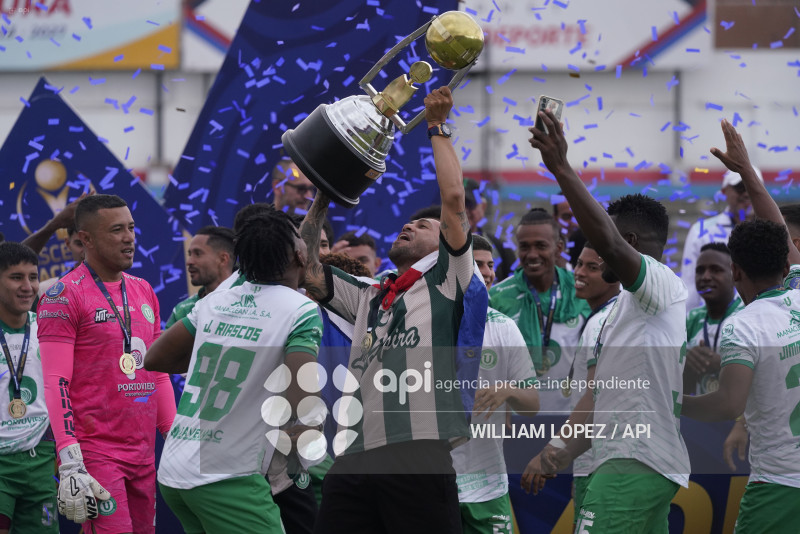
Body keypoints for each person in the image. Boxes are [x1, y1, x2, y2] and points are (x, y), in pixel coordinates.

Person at [299, 86, 487, 533]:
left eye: (423, 226)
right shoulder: (371, 292)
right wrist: (325, 192)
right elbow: (308, 268)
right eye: (409, 221)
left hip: (417, 451)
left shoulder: (451, 277)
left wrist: (437, 127)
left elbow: (454, 201)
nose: (409, 224)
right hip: (354, 454)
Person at [525, 108, 690, 532]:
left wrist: (561, 167)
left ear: (628, 242)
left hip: (634, 460)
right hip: (626, 461)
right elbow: (597, 400)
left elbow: (611, 245)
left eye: (602, 244)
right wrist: (555, 454)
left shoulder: (662, 285)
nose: (596, 253)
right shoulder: (620, 311)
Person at [144, 205, 322, 534]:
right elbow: (302, 399)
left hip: (175, 470)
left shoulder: (215, 300)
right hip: (227, 476)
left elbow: (155, 358)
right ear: (299, 254)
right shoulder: (300, 308)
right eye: (300, 237)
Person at [682, 118, 800, 532]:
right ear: (785, 265)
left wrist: (672, 402)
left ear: (735, 271)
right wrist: (748, 170)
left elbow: (728, 404)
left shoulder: (742, 325)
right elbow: (779, 233)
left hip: (780, 487)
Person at [36, 194, 175, 533]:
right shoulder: (63, 295)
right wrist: (70, 456)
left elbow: (156, 374)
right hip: (95, 454)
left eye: (131, 228)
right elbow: (55, 380)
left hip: (144, 453)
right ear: (86, 239)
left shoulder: (144, 290)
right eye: (116, 230)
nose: (129, 238)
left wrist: (174, 435)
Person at [522, 242, 620, 529]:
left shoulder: (603, 322)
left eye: (593, 268)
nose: (580, 272)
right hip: (602, 462)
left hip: (601, 466)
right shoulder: (607, 317)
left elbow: (593, 397)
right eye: (578, 264)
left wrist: (551, 451)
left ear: (614, 275)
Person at [452, 234, 539, 534]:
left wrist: (508, 392)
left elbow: (532, 405)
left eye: (490, 265)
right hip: (434, 484)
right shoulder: (426, 323)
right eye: (477, 264)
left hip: (488, 484)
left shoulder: (504, 327)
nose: (487, 273)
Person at [489, 208, 588, 415]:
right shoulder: (497, 297)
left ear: (558, 248)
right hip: (515, 418)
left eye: (541, 246)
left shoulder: (581, 292)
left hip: (570, 417)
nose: (532, 254)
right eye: (524, 247)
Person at [0, 242, 58, 534]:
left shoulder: (49, 329)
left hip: (40, 461)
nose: (28, 287)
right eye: (16, 277)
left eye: (33, 277)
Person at [680, 166, 763, 311]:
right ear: (724, 192)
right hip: (713, 318)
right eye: (740, 187)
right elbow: (690, 284)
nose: (746, 193)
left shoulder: (773, 230)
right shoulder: (701, 230)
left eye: (751, 186)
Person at [683, 243, 743, 396]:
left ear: (734, 274)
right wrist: (685, 362)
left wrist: (723, 364)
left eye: (716, 270)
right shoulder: (691, 318)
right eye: (700, 271)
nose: (705, 277)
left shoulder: (747, 315)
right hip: (701, 410)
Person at [165, 226, 235, 329]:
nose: (189, 261)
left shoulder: (249, 300)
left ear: (223, 259)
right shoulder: (183, 310)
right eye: (190, 254)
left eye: (198, 254)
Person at [37, 225, 86, 300]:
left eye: (92, 242)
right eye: (79, 244)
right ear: (68, 243)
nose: (86, 251)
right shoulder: (46, 290)